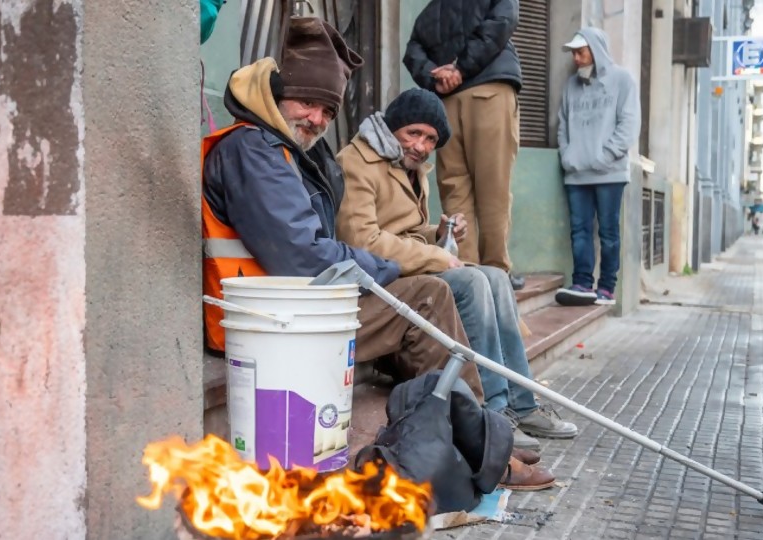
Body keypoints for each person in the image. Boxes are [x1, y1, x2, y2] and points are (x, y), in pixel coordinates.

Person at [202, 16, 552, 489]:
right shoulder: (254, 150)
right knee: (428, 298)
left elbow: (314, 248)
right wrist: (386, 268)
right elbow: (303, 254)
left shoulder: (278, 148)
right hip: (274, 320)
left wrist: (414, 249)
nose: (319, 120)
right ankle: (479, 447)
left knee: (440, 294)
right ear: (276, 95)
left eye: (327, 111)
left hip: (295, 307)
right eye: (308, 103)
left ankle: (470, 438)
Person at [335, 88, 578, 452]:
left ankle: (522, 403)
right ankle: (495, 411)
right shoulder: (356, 162)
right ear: (393, 127)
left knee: (494, 277)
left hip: (404, 270)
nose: (420, 145)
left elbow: (402, 229)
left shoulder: (406, 164)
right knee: (469, 280)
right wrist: (436, 257)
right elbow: (363, 240)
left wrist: (438, 231)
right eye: (413, 133)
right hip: (378, 284)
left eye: (430, 139)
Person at [403, 0, 525, 291]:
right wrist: (461, 68)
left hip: (448, 102)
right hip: (489, 90)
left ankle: (467, 273)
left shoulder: (432, 10)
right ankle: (497, 274)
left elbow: (413, 50)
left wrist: (437, 77)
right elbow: (502, 23)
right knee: (493, 187)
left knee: (454, 188)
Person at [555, 28, 641, 307]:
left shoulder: (622, 80)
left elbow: (629, 126)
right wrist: (567, 156)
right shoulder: (571, 85)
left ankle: (607, 288)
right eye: (574, 53)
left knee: (608, 232)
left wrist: (604, 157)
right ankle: (582, 283)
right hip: (576, 173)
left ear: (597, 51)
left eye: (581, 52)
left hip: (609, 172)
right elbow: (563, 126)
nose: (576, 58)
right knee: (579, 230)